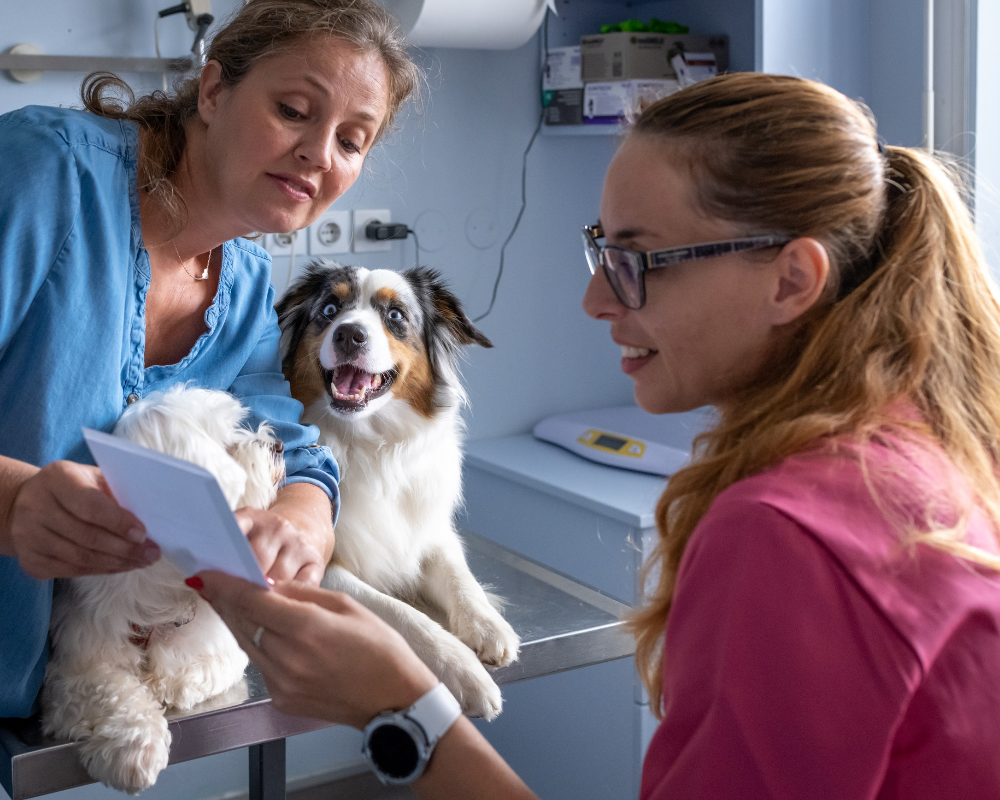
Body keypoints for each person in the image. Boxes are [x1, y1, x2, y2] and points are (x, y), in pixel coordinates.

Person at [193, 71, 1000, 799]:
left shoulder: (789, 538)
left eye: (637, 261)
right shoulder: (929, 452)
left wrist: (400, 706)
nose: (596, 303)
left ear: (791, 280)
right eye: (600, 252)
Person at [0, 0, 420, 719]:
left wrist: (299, 529)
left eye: (352, 141)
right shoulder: (46, 175)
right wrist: (12, 503)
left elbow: (297, 455)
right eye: (294, 110)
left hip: (55, 693)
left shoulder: (245, 284)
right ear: (215, 90)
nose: (320, 154)